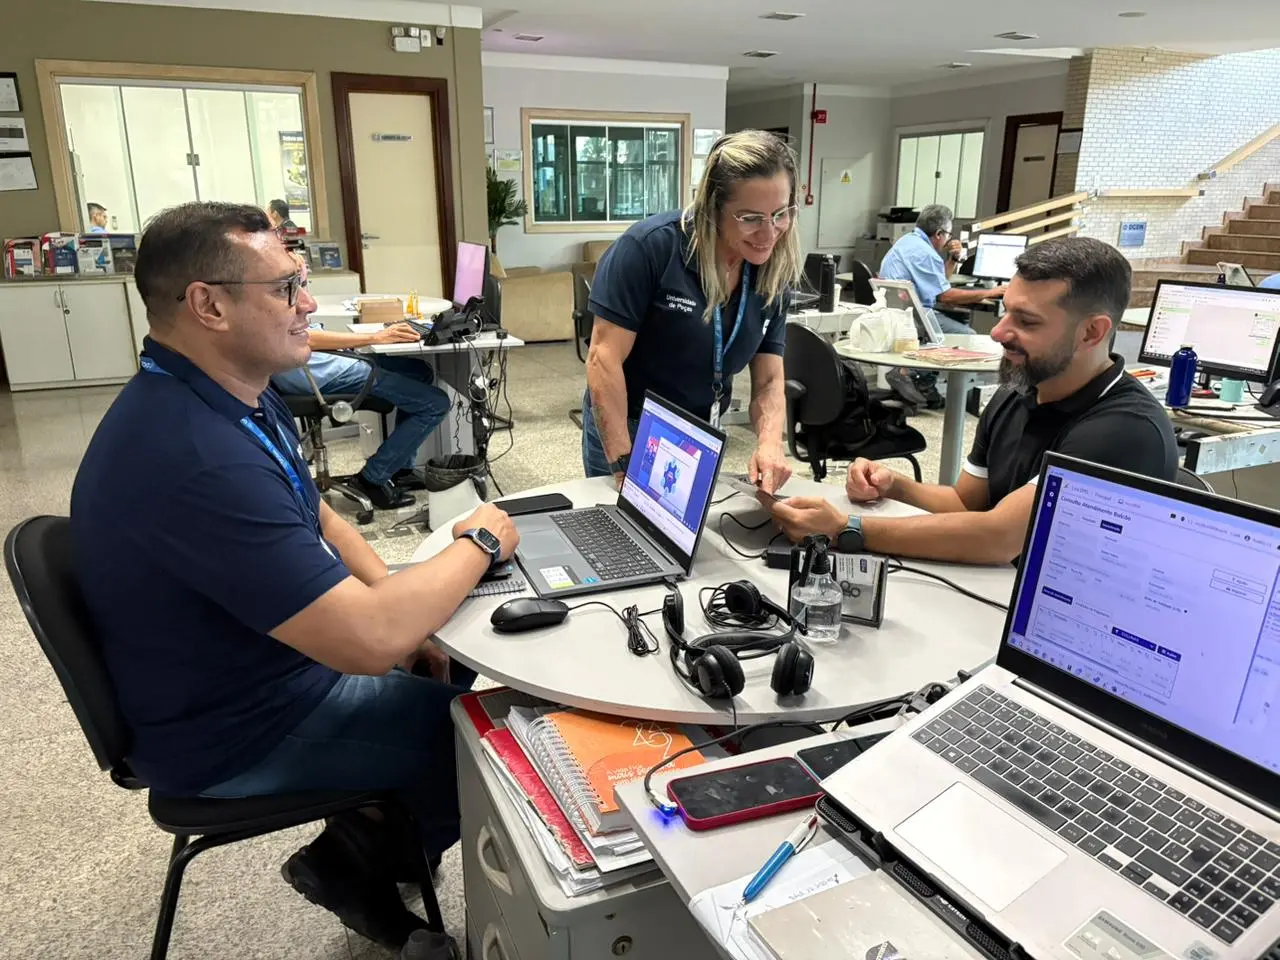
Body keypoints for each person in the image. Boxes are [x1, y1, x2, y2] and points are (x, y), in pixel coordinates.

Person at [71, 201, 520, 949]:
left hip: (259, 666)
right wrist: (478, 540)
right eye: (285, 288)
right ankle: (349, 866)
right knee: (483, 743)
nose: (308, 304)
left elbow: (323, 518)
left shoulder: (231, 393)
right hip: (233, 726)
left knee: (451, 646)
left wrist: (398, 609)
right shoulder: (192, 454)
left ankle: (370, 839)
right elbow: (367, 643)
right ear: (209, 305)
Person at [769, 236, 1178, 564]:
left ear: (1091, 332)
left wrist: (847, 529)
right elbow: (966, 502)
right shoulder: (1019, 391)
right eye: (1005, 312)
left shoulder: (1123, 431)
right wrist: (894, 486)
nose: (998, 332)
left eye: (1026, 321)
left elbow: (1000, 538)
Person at [583, 129, 802, 494]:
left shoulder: (773, 272)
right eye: (751, 218)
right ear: (713, 206)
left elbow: (768, 380)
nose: (769, 233)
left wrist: (769, 443)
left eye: (780, 214)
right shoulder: (649, 249)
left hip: (701, 430)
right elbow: (603, 359)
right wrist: (623, 462)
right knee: (626, 524)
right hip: (632, 424)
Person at [272, 305, 451, 511]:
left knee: (420, 371)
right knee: (436, 404)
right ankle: (372, 478)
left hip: (326, 362)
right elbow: (306, 338)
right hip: (321, 374)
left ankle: (400, 468)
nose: (309, 303)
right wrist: (375, 337)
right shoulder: (272, 307)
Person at [879, 204, 1006, 408]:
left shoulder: (908, 241)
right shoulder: (925, 253)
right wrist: (990, 292)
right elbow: (945, 296)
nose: (948, 239)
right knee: (968, 335)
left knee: (954, 321)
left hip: (900, 312)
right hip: (914, 316)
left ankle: (924, 384)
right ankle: (910, 373)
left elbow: (938, 284)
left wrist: (953, 259)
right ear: (938, 233)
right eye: (947, 234)